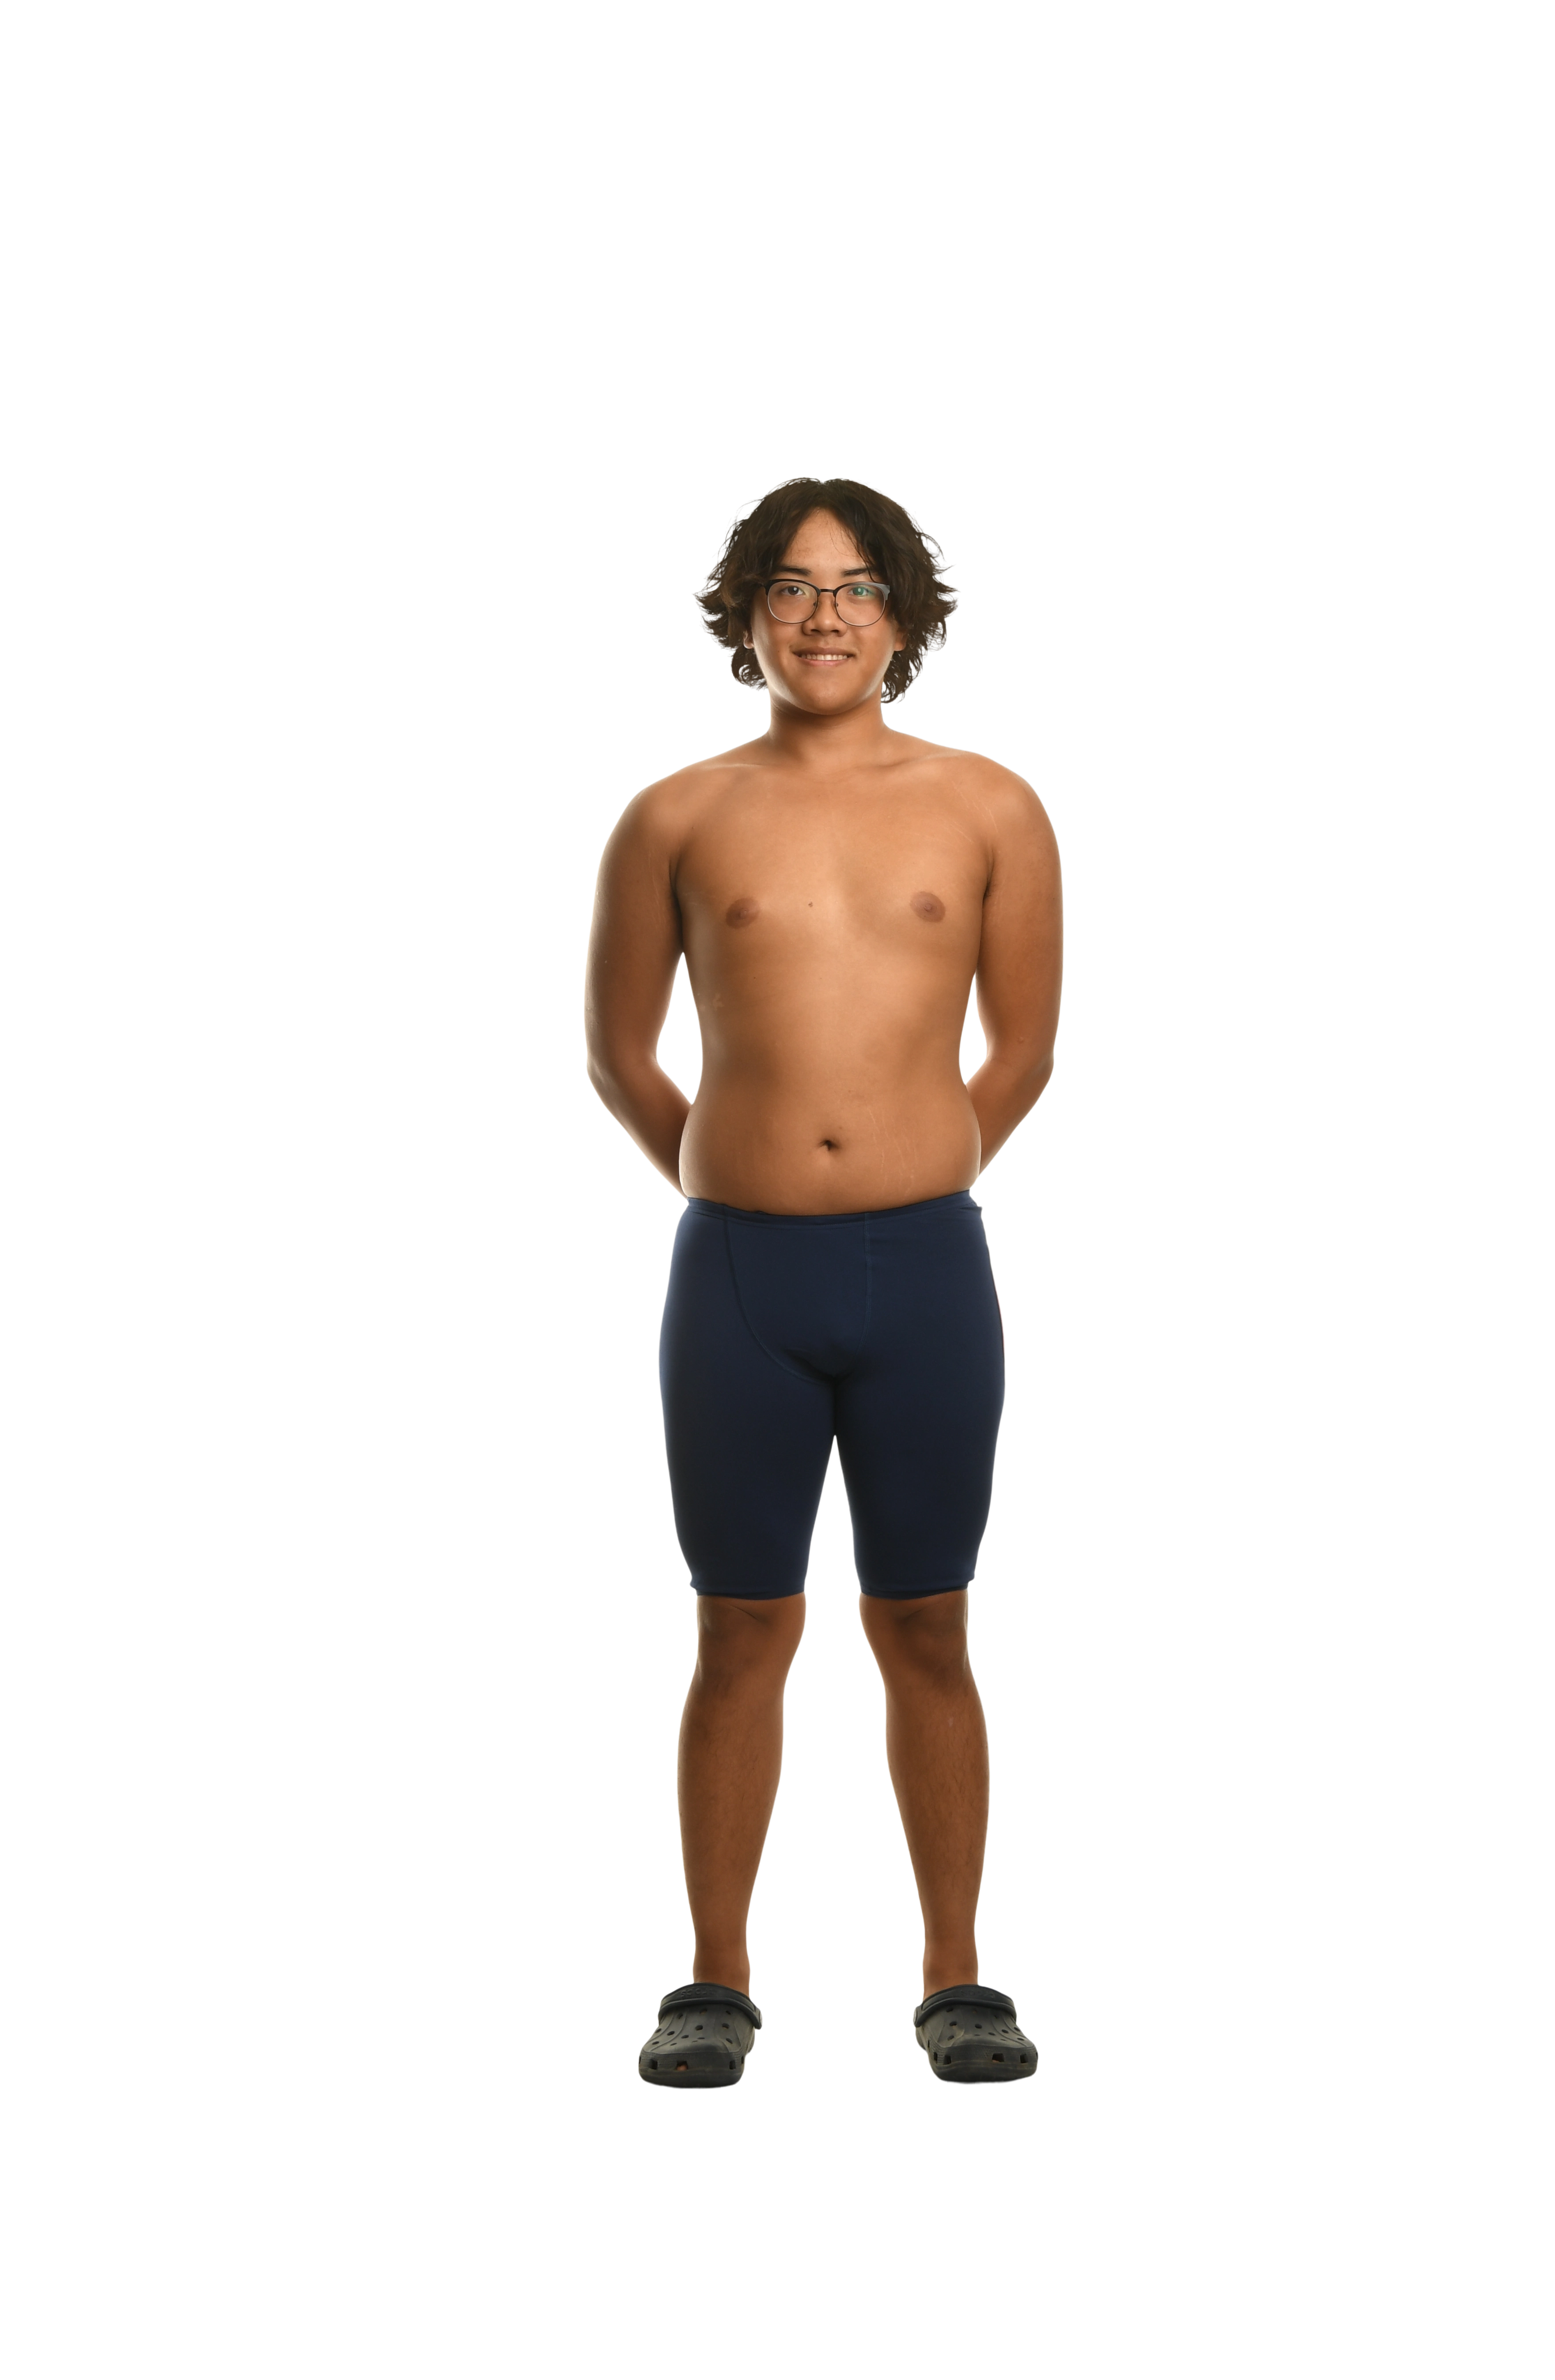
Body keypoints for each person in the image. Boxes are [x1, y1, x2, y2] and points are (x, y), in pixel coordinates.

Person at [584, 477, 1062, 2091]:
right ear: (746, 615)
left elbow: (1026, 1048)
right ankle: (716, 1980)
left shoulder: (991, 806)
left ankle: (957, 1978)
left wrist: (917, 1168)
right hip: (738, 1275)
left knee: (928, 1621)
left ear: (904, 615)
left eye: (857, 587)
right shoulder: (676, 815)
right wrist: (737, 1181)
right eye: (791, 587)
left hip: (926, 1269)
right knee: (742, 1626)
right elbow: (618, 1053)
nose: (825, 615)